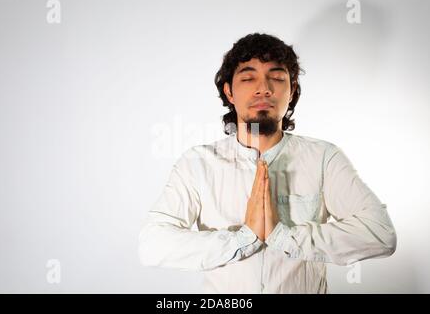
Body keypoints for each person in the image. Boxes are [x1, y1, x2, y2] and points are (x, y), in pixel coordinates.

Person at [138, 33, 397, 293]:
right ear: (229, 91)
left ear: (292, 89)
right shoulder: (197, 164)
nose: (263, 87)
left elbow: (380, 234)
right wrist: (244, 238)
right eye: (249, 78)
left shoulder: (323, 158)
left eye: (276, 77)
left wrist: (282, 236)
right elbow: (153, 244)